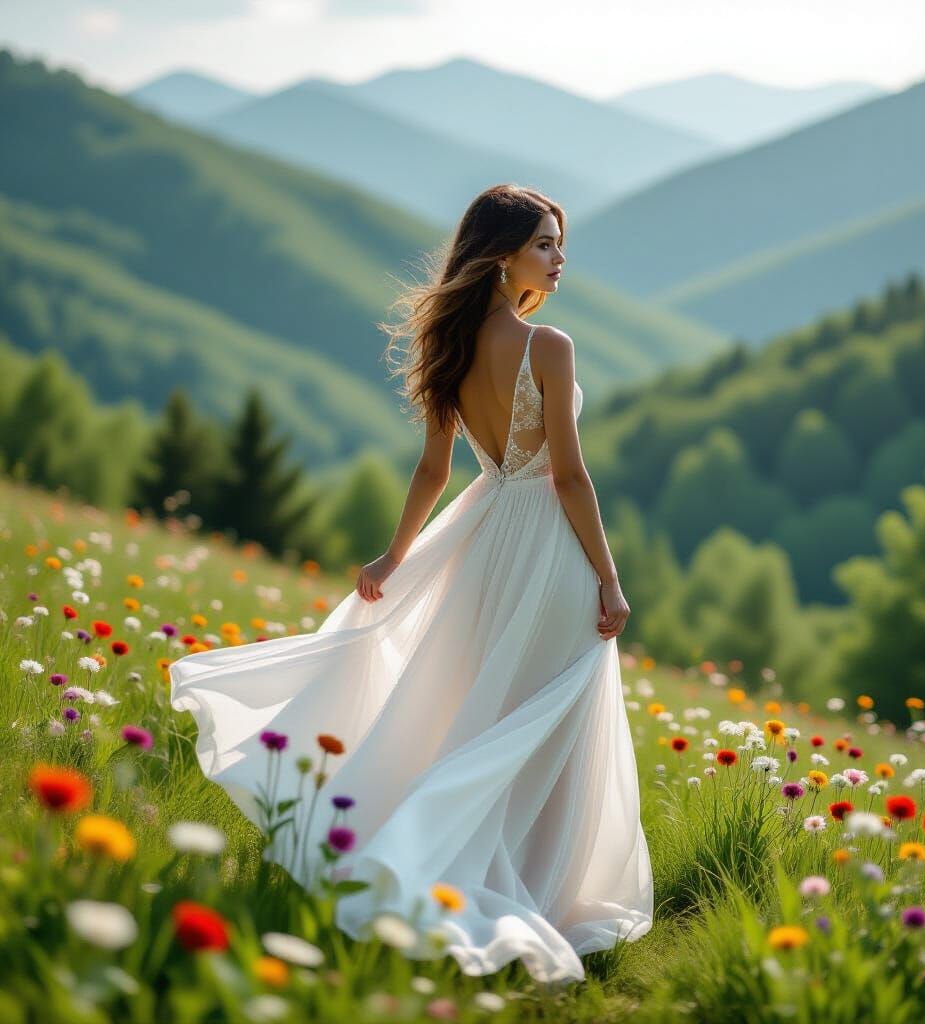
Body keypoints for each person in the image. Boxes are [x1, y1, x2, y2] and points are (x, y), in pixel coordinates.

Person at [169, 183, 654, 985]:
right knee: (548, 716)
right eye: (545, 244)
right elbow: (569, 477)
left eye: (559, 243)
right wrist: (610, 578)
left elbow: (435, 467)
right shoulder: (550, 346)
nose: (559, 259)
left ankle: (476, 864)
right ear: (503, 254)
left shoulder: (451, 344)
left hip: (480, 537)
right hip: (543, 546)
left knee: (491, 712)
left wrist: (397, 557)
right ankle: (530, 886)